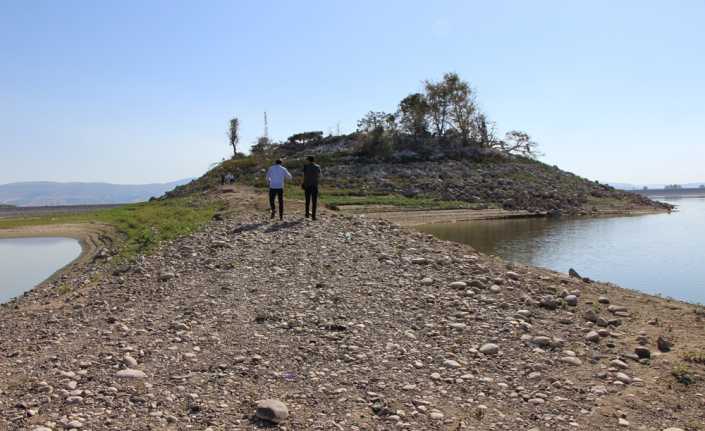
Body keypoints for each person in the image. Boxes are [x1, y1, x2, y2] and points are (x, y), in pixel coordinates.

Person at [302, 156, 321, 220]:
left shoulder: (305, 166)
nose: (306, 161)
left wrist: (303, 183)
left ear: (308, 160)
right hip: (314, 185)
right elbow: (319, 175)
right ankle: (313, 216)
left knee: (307, 201)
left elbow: (304, 176)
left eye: (307, 160)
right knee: (314, 201)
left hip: (307, 185)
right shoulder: (317, 167)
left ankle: (307, 214)